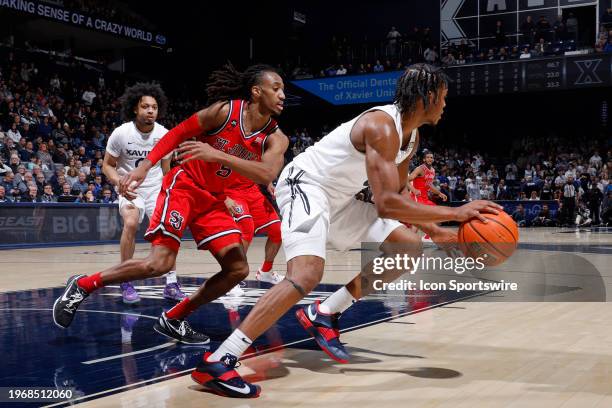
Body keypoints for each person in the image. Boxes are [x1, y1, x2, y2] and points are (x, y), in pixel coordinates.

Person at [194, 64, 500, 398]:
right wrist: (455, 212)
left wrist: (437, 230)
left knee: (408, 247)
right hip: (305, 185)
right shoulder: (382, 125)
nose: (445, 104)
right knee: (306, 273)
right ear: (426, 97)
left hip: (338, 200)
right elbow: (385, 204)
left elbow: (397, 195)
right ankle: (220, 359)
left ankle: (324, 313)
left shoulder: (410, 138)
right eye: (442, 97)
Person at [53, 64, 288, 353]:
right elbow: (178, 133)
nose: (282, 95)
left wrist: (217, 155)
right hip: (184, 186)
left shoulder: (277, 138)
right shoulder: (224, 112)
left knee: (237, 269)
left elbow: (265, 174)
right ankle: (84, 285)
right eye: (276, 88)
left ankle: (174, 318)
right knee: (159, 264)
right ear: (256, 91)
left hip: (214, 199)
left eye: (283, 90)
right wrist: (145, 166)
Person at [103, 83, 184, 304]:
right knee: (130, 223)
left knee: (167, 230)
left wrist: (171, 192)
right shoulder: (121, 133)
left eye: (154, 107)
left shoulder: (164, 135)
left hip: (156, 188)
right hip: (129, 187)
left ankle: (171, 283)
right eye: (145, 107)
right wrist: (119, 182)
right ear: (135, 109)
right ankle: (126, 280)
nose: (150, 111)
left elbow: (166, 169)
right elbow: (107, 165)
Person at [407, 150, 447, 242]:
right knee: (418, 221)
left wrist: (439, 193)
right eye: (428, 157)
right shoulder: (420, 169)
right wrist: (413, 190)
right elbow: (406, 180)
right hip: (416, 197)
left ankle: (426, 237)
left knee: (437, 216)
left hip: (425, 198)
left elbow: (429, 185)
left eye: (431, 157)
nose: (430, 159)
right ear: (424, 159)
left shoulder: (432, 170)